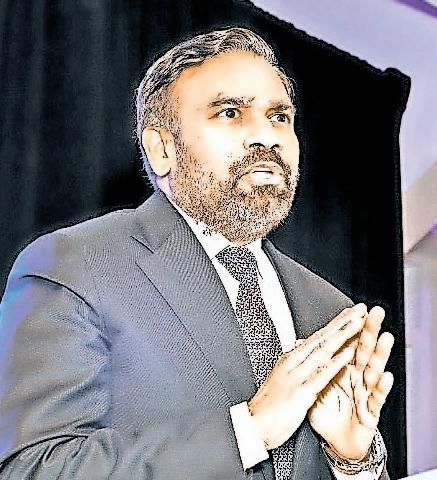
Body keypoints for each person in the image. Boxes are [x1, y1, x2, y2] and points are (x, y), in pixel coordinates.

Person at [0, 27, 395, 479]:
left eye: (279, 116)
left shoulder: (331, 310)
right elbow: (32, 469)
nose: (266, 136)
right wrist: (250, 431)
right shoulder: (73, 267)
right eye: (230, 113)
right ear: (162, 149)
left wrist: (353, 462)